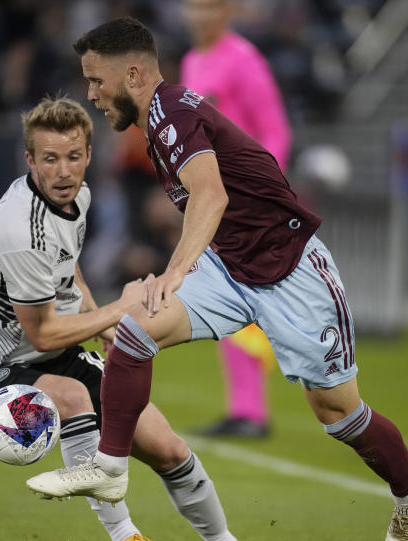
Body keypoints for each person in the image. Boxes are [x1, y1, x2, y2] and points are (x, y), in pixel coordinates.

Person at [26, 17, 408, 541]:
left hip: (292, 271)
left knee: (338, 414)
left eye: (97, 81)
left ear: (132, 73)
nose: (92, 94)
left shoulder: (170, 113)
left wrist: (174, 271)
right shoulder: (158, 120)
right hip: (229, 267)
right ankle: (109, 467)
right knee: (136, 328)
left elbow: (211, 196)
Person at [0, 96, 293, 541]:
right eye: (49, 159)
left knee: (167, 445)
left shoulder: (79, 198)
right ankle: (127, 540)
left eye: (73, 157)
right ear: (29, 161)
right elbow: (45, 333)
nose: (64, 170)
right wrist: (121, 310)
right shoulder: (19, 231)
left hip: (53, 349)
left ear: (89, 155)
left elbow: (68, 272)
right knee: (73, 396)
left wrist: (102, 321)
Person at [180, 0, 293, 438]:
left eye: (207, 7)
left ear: (227, 11)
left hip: (248, 200)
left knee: (250, 297)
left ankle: (254, 411)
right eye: (192, 7)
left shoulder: (244, 60)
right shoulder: (193, 61)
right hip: (215, 200)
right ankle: (244, 408)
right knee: (229, 297)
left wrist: (265, 191)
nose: (197, 16)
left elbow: (276, 129)